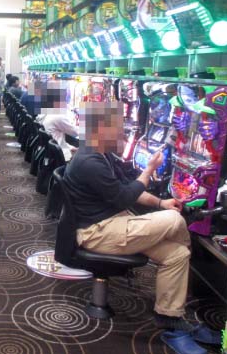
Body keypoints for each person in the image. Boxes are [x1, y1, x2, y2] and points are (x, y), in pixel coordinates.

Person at [60, 101, 200, 333]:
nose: (123, 131)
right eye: (118, 127)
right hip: (96, 232)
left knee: (177, 254)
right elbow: (124, 197)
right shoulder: (89, 161)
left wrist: (160, 203)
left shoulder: (101, 155)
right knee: (175, 220)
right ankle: (190, 256)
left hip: (111, 223)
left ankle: (168, 314)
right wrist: (149, 170)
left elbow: (128, 187)